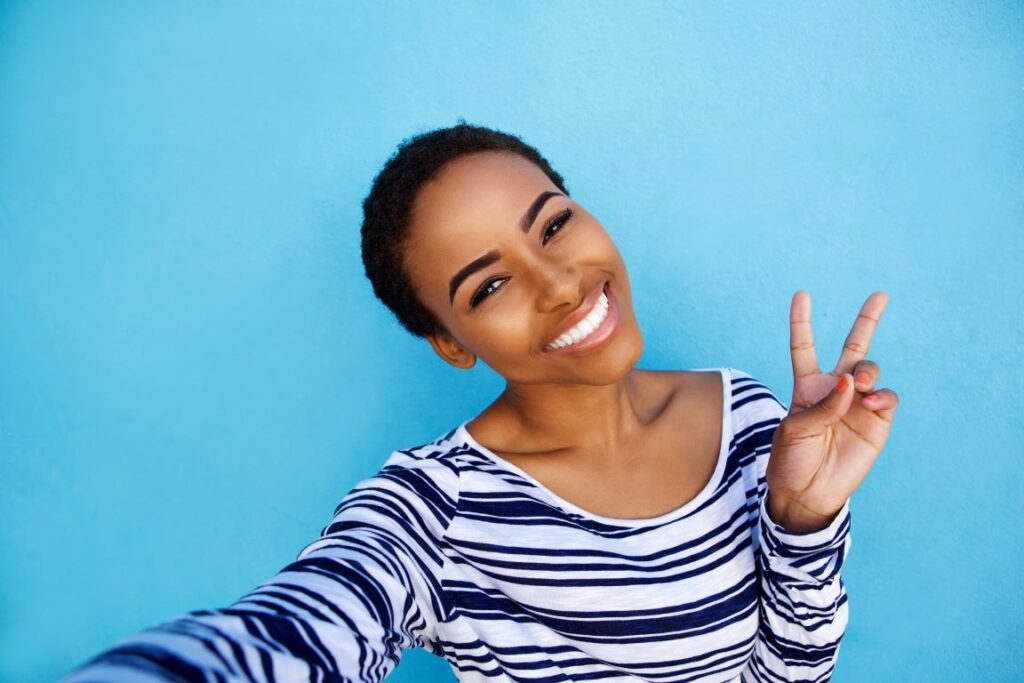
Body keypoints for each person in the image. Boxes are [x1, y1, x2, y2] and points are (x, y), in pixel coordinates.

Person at [61, 122, 898, 682]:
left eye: (554, 224)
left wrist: (799, 519)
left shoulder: (752, 418)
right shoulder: (434, 509)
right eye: (490, 283)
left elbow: (793, 670)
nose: (559, 284)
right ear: (454, 343)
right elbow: (301, 626)